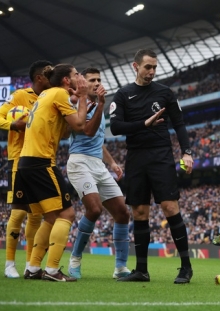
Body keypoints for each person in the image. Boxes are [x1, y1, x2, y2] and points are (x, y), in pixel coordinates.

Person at [109, 48, 194, 283]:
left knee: (170, 207)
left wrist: (187, 152)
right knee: (139, 212)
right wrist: (143, 124)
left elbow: (179, 124)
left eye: (155, 67)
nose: (152, 71)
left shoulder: (165, 93)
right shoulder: (123, 95)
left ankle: (186, 267)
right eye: (148, 67)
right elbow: (115, 128)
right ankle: (141, 271)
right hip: (136, 157)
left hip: (161, 156)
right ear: (136, 67)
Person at [13, 64, 89, 282]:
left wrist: (73, 103)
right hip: (41, 162)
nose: (79, 78)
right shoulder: (59, 94)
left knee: (51, 216)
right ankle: (53, 270)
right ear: (66, 80)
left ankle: (33, 268)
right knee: (67, 214)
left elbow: (63, 133)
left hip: (26, 163)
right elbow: (79, 125)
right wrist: (82, 98)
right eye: (76, 75)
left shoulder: (47, 94)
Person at [66, 67, 132, 279]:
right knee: (94, 209)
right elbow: (87, 130)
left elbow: (97, 141)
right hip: (79, 163)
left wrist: (112, 163)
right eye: (91, 79)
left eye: (98, 79)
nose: (96, 82)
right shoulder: (77, 103)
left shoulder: (99, 107)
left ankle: (120, 267)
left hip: (97, 165)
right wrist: (102, 104)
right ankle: (75, 259)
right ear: (82, 83)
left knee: (122, 213)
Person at [0, 60, 52, 278]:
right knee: (18, 212)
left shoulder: (51, 97)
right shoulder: (19, 96)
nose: (52, 77)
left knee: (36, 216)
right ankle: (9, 264)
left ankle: (30, 265)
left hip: (42, 161)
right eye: (48, 74)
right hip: (19, 159)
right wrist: (12, 125)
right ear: (39, 77)